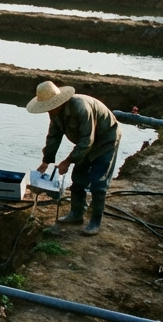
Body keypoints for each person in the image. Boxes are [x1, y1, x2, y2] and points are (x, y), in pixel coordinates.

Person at [30, 81, 121, 236]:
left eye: (49, 107)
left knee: (99, 182)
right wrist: (46, 161)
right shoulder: (55, 114)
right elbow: (53, 137)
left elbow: (87, 140)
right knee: (78, 178)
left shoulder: (80, 107)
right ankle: (77, 214)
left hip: (106, 140)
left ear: (58, 102)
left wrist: (68, 161)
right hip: (85, 144)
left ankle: (95, 222)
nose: (48, 111)